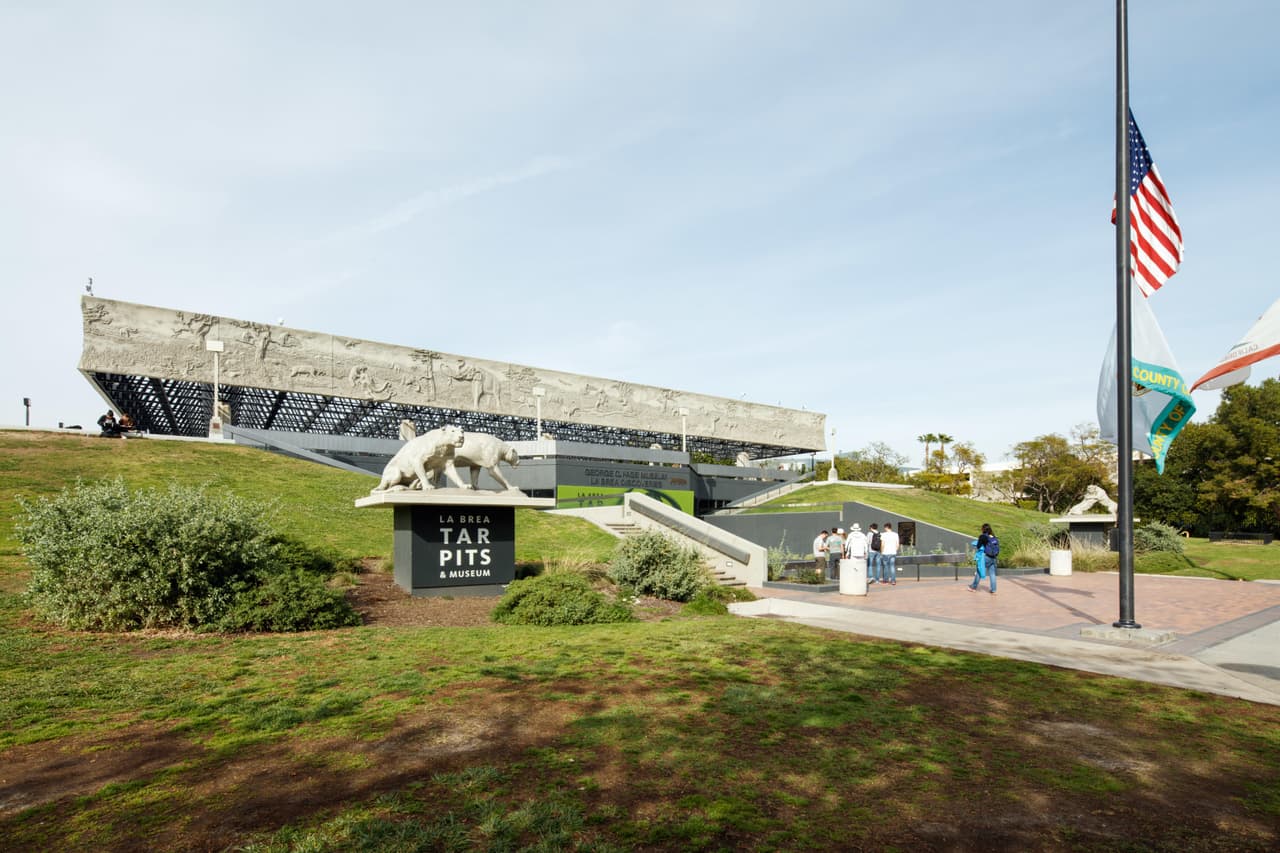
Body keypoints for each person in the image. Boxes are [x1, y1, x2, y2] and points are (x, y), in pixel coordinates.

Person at [968, 523, 999, 594]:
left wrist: (980, 544)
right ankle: (993, 590)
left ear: (983, 529)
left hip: (986, 557)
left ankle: (973, 587)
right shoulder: (993, 536)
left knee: (979, 571)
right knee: (992, 574)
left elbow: (978, 546)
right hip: (993, 558)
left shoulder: (982, 536)